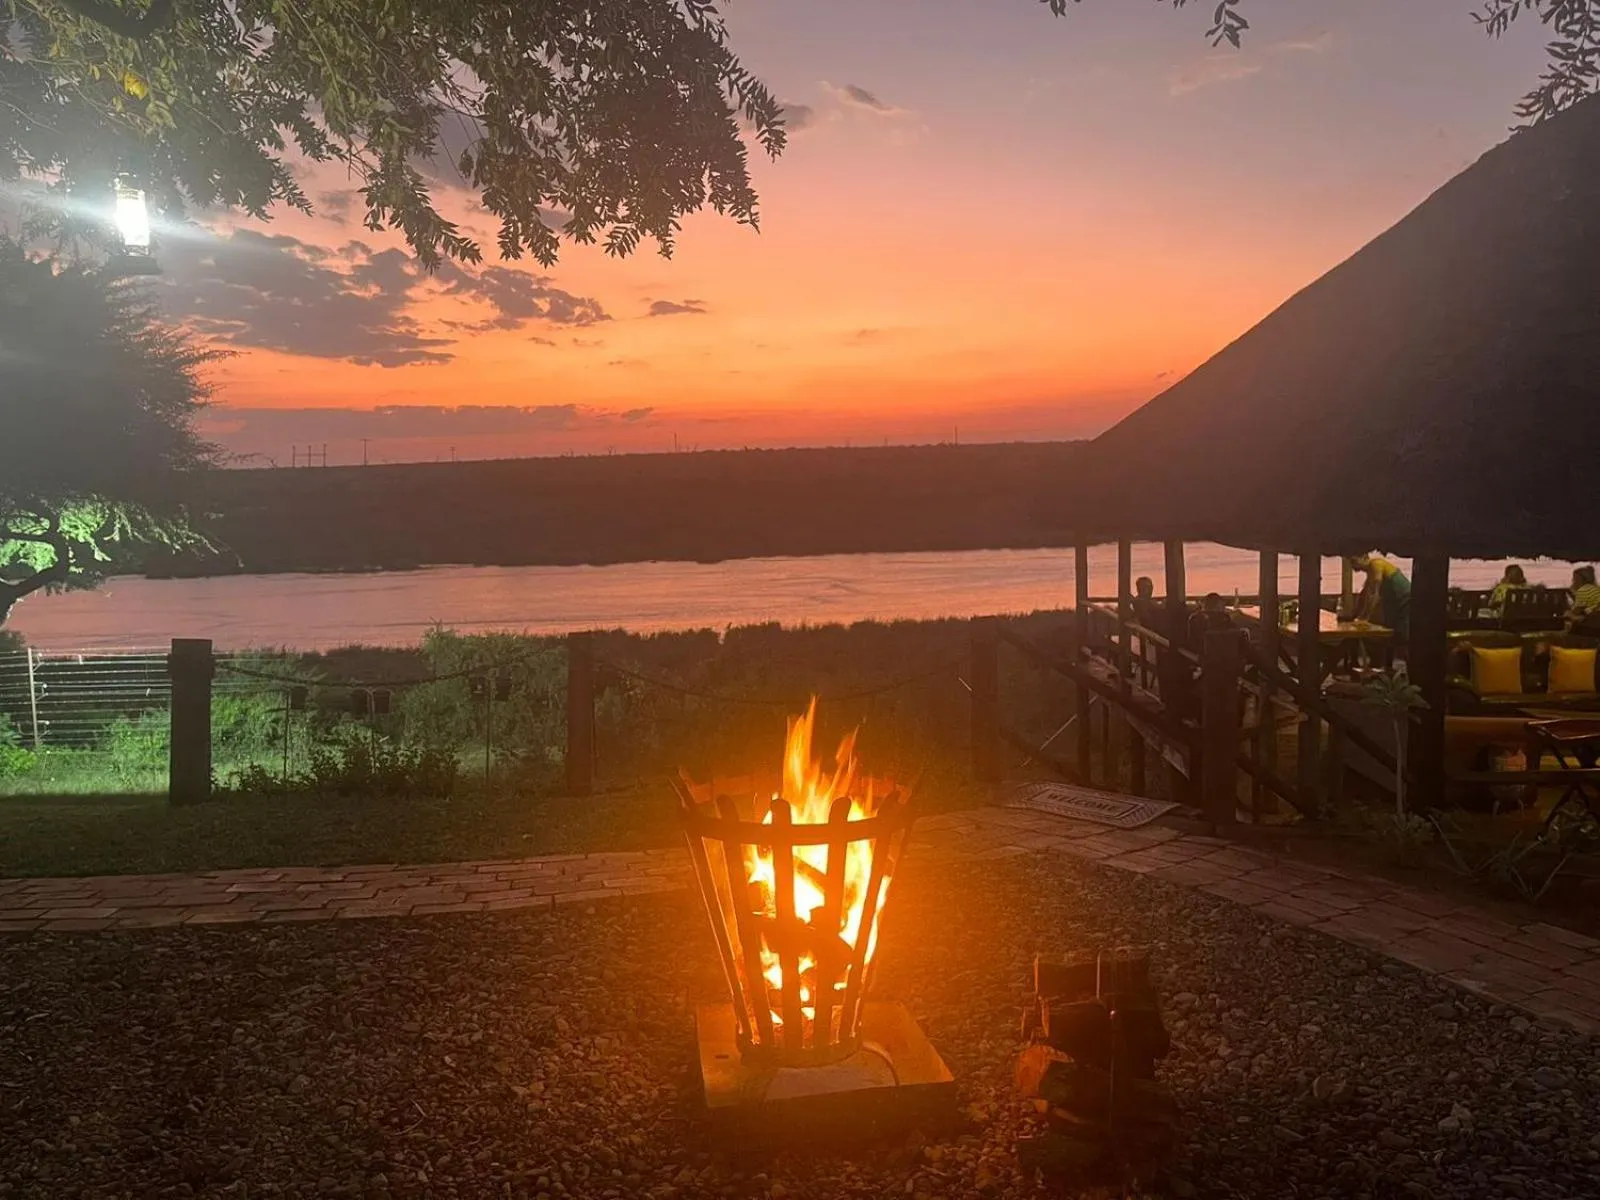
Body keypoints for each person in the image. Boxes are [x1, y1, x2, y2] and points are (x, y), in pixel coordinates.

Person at [1349, 553, 1411, 644]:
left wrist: (1365, 618)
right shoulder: (1370, 573)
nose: (1352, 565)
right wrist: (1358, 615)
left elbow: (1374, 594)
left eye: (1354, 561)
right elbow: (1365, 594)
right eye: (1350, 562)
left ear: (1365, 557)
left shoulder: (1376, 564)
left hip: (1405, 600)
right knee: (1389, 633)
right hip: (1393, 603)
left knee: (1402, 635)